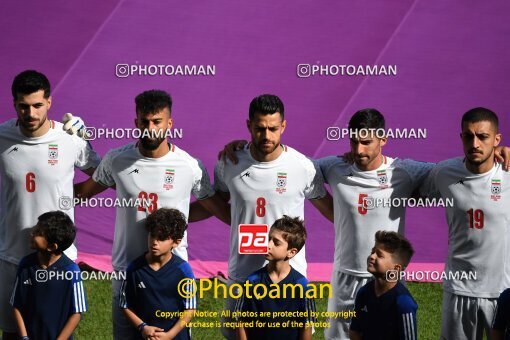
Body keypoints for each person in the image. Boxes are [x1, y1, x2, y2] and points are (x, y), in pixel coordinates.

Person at [74, 89, 229, 339]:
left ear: (170, 123)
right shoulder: (117, 159)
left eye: (157, 121)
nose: (150, 128)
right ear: (135, 122)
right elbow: (83, 192)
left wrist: (177, 221)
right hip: (126, 273)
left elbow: (213, 206)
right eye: (144, 121)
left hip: (171, 277)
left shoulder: (189, 166)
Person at [212, 94, 333, 339]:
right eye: (260, 128)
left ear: (284, 126)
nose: (267, 136)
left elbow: (332, 211)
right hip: (243, 275)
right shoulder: (230, 162)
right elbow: (214, 204)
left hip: (289, 278)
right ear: (249, 126)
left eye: (273, 128)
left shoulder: (302, 167)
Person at [0, 70, 99, 339]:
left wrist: (75, 194)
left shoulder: (70, 139)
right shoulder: (2, 138)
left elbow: (105, 175)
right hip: (11, 254)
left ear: (50, 103)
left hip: (58, 258)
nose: (30, 113)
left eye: (37, 105)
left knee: (57, 330)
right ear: (14, 104)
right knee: (12, 332)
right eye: (23, 106)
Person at [420, 107, 510, 339]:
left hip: (503, 290)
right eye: (468, 136)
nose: (475, 144)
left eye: (483, 136)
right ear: (461, 137)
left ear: (497, 139)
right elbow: (408, 184)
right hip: (458, 288)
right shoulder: (443, 173)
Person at [120, 208, 196, 339]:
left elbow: (190, 310)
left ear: (176, 242)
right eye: (152, 235)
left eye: (161, 238)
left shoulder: (184, 271)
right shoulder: (134, 269)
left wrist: (169, 335)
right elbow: (125, 305)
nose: (154, 242)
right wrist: (143, 327)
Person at [236, 215, 316, 340]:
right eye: (269, 239)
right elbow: (241, 321)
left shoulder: (303, 286)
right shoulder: (252, 281)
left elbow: (307, 324)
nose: (268, 245)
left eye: (276, 243)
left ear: (291, 252)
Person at [11, 211, 87, 340]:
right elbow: (16, 304)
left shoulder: (72, 271)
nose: (32, 233)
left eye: (38, 233)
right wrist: (24, 337)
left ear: (52, 246)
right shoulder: (26, 265)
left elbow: (77, 313)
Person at [349, 230, 417, 340]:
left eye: (379, 255)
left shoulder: (404, 303)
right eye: (372, 252)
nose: (372, 256)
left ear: (396, 268)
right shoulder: (363, 293)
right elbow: (354, 332)